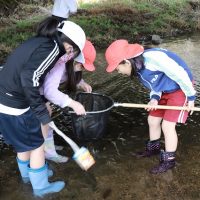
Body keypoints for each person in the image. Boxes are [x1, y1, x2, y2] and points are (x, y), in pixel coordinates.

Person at [0, 17, 86, 197]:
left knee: (23, 145)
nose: (70, 54)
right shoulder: (53, 48)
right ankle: (40, 187)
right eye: (72, 50)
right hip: (16, 105)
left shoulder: (40, 41)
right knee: (37, 145)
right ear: (69, 45)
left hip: (4, 101)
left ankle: (28, 176)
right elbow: (29, 77)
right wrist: (40, 111)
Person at [105, 39, 196, 174]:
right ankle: (154, 148)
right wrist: (154, 99)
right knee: (152, 120)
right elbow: (155, 84)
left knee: (167, 125)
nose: (119, 72)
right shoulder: (138, 67)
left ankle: (169, 161)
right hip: (164, 90)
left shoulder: (154, 58)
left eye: (118, 69)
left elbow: (180, 74)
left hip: (181, 89)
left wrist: (191, 97)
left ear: (127, 62)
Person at [42, 40, 96, 163]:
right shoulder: (59, 64)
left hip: (41, 91)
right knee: (44, 120)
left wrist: (81, 83)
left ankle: (48, 146)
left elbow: (70, 75)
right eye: (80, 64)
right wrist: (72, 103)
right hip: (32, 91)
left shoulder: (71, 65)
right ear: (72, 56)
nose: (81, 68)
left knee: (47, 117)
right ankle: (47, 153)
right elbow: (49, 91)